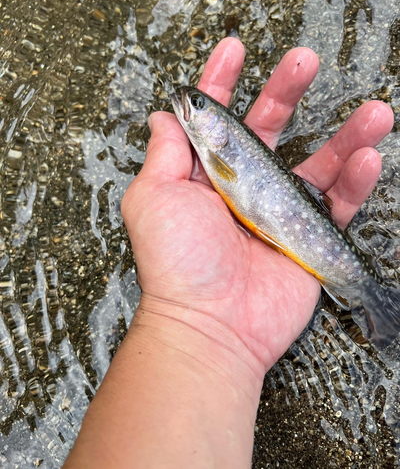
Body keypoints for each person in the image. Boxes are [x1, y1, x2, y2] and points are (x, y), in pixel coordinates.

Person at [63, 38, 393, 468]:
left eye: (198, 106)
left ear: (220, 127)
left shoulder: (219, 153)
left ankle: (370, 295)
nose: (188, 106)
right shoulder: (215, 148)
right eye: (197, 105)